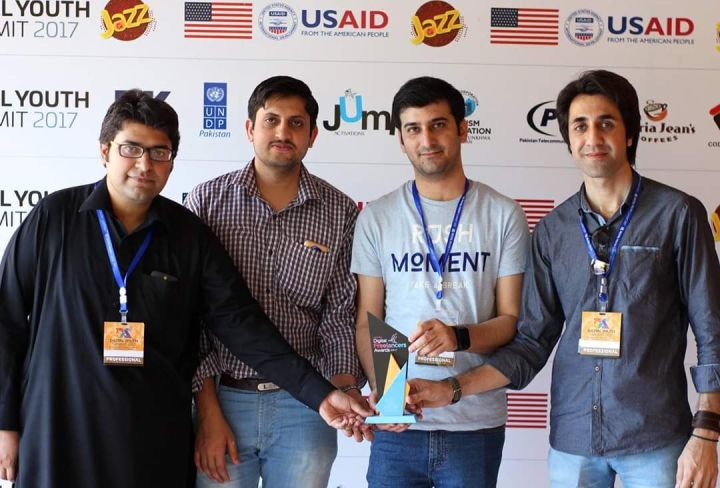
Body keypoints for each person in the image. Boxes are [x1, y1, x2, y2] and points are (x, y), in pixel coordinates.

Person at [0, 90, 370, 488]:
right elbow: (6, 320)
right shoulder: (54, 218)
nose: (145, 164)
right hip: (57, 430)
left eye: (159, 152)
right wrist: (5, 424)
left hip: (150, 442)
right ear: (105, 151)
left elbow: (240, 324)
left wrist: (319, 393)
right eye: (131, 148)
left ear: (172, 161)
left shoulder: (188, 235)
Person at [407, 70, 720, 488]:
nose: (593, 137)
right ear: (569, 140)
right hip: (573, 441)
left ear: (630, 134)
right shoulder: (553, 230)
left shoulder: (678, 214)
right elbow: (530, 342)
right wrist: (451, 388)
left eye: (606, 123)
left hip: (656, 438)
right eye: (580, 126)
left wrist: (706, 432)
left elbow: (711, 328)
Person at [186, 76, 366, 488]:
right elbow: (192, 318)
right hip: (223, 400)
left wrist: (343, 386)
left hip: (306, 407)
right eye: (271, 120)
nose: (283, 132)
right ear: (250, 129)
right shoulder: (206, 202)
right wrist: (207, 408)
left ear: (313, 136)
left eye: (296, 123)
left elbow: (338, 315)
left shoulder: (339, 212)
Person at [351, 76, 530, 487]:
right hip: (400, 429)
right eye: (413, 129)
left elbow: (510, 322)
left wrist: (458, 337)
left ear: (462, 129)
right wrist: (390, 397)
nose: (427, 140)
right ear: (401, 140)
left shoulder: (503, 214)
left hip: (475, 422)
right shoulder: (377, 217)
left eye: (438, 125)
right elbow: (370, 321)